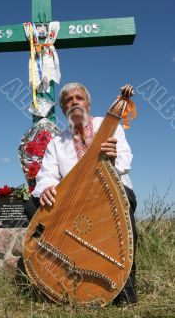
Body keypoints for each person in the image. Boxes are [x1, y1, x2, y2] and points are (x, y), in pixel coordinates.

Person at [25, 82, 138, 306]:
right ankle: (57, 274)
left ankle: (125, 288)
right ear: (64, 108)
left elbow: (126, 159)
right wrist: (47, 187)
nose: (74, 102)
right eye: (68, 100)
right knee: (32, 204)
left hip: (110, 193)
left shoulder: (109, 125)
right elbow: (47, 173)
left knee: (123, 195)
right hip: (73, 200)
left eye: (79, 98)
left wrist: (114, 158)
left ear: (88, 103)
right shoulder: (57, 142)